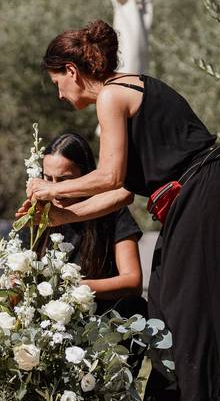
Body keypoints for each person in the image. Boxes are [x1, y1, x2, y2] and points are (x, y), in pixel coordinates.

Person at [21, 19, 220, 401]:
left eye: (58, 82)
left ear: (72, 72)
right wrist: (58, 217)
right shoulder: (121, 94)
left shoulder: (112, 95)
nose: (59, 93)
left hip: (204, 187)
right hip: (196, 192)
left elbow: (107, 176)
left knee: (194, 302)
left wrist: (47, 188)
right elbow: (122, 193)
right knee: (165, 298)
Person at [31, 131, 147, 319]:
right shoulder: (38, 214)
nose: (54, 189)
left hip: (102, 321)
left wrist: (76, 287)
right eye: (48, 178)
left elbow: (133, 282)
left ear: (86, 176)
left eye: (64, 180)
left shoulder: (113, 212)